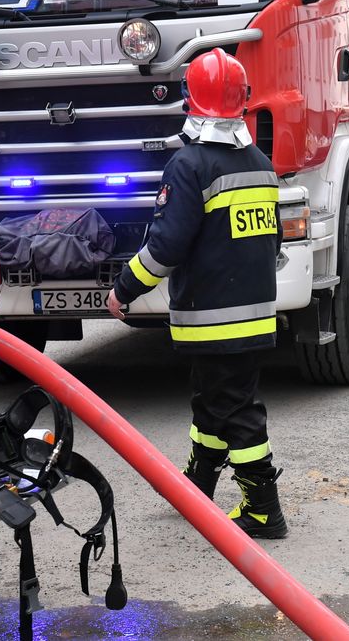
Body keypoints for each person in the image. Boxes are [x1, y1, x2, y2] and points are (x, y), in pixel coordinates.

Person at [105, 48, 287, 539]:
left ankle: (264, 508)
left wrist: (123, 289)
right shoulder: (260, 162)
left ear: (190, 101)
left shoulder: (189, 166)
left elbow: (165, 247)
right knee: (211, 402)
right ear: (242, 101)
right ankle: (197, 489)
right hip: (255, 315)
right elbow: (273, 242)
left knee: (236, 410)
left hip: (213, 317)